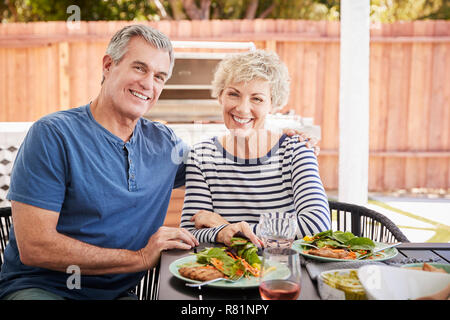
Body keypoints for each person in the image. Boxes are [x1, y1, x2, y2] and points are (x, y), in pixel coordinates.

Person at [0, 24, 199, 300]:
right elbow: (36, 247)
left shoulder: (165, 143)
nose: (148, 84)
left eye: (159, 76)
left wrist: (276, 139)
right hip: (42, 289)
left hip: (116, 295)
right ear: (108, 65)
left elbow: (216, 169)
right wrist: (140, 258)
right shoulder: (53, 135)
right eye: (139, 68)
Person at [180, 50, 331, 246]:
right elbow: (191, 231)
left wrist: (228, 227)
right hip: (224, 272)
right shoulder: (201, 156)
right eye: (234, 94)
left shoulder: (296, 150)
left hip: (284, 270)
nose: (242, 108)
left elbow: (317, 226)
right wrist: (260, 232)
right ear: (220, 96)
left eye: (257, 99)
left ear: (273, 104)